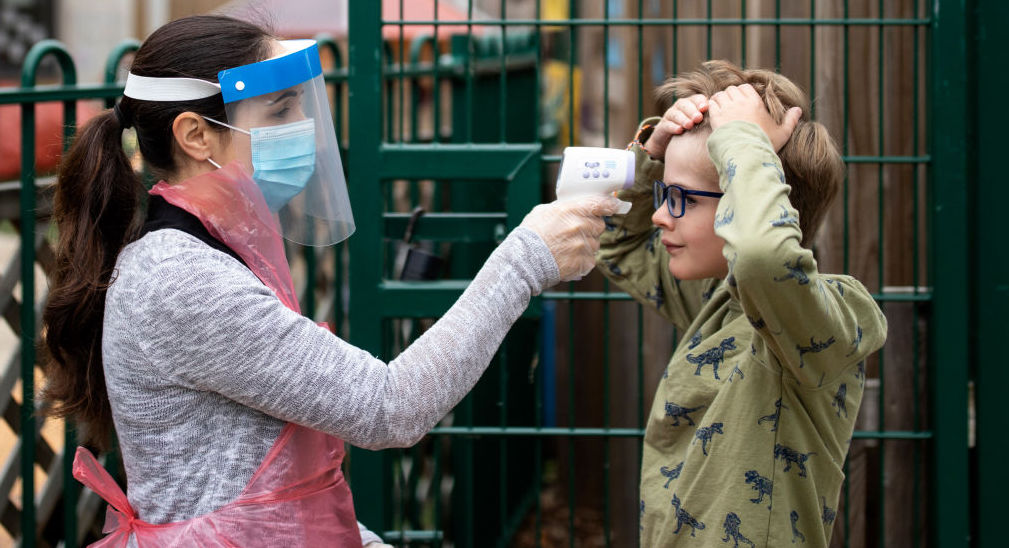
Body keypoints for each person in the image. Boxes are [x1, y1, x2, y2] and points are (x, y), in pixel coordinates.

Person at [40, 15, 619, 547]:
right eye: (280, 111)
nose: (306, 129)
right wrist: (523, 261)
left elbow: (265, 486)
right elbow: (390, 408)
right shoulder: (181, 278)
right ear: (196, 135)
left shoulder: (208, 250)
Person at [596, 60, 887, 546]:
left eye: (682, 198)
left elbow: (761, 254)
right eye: (662, 194)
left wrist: (744, 144)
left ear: (751, 195)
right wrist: (654, 150)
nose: (662, 216)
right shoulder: (718, 298)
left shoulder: (827, 314)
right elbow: (615, 245)